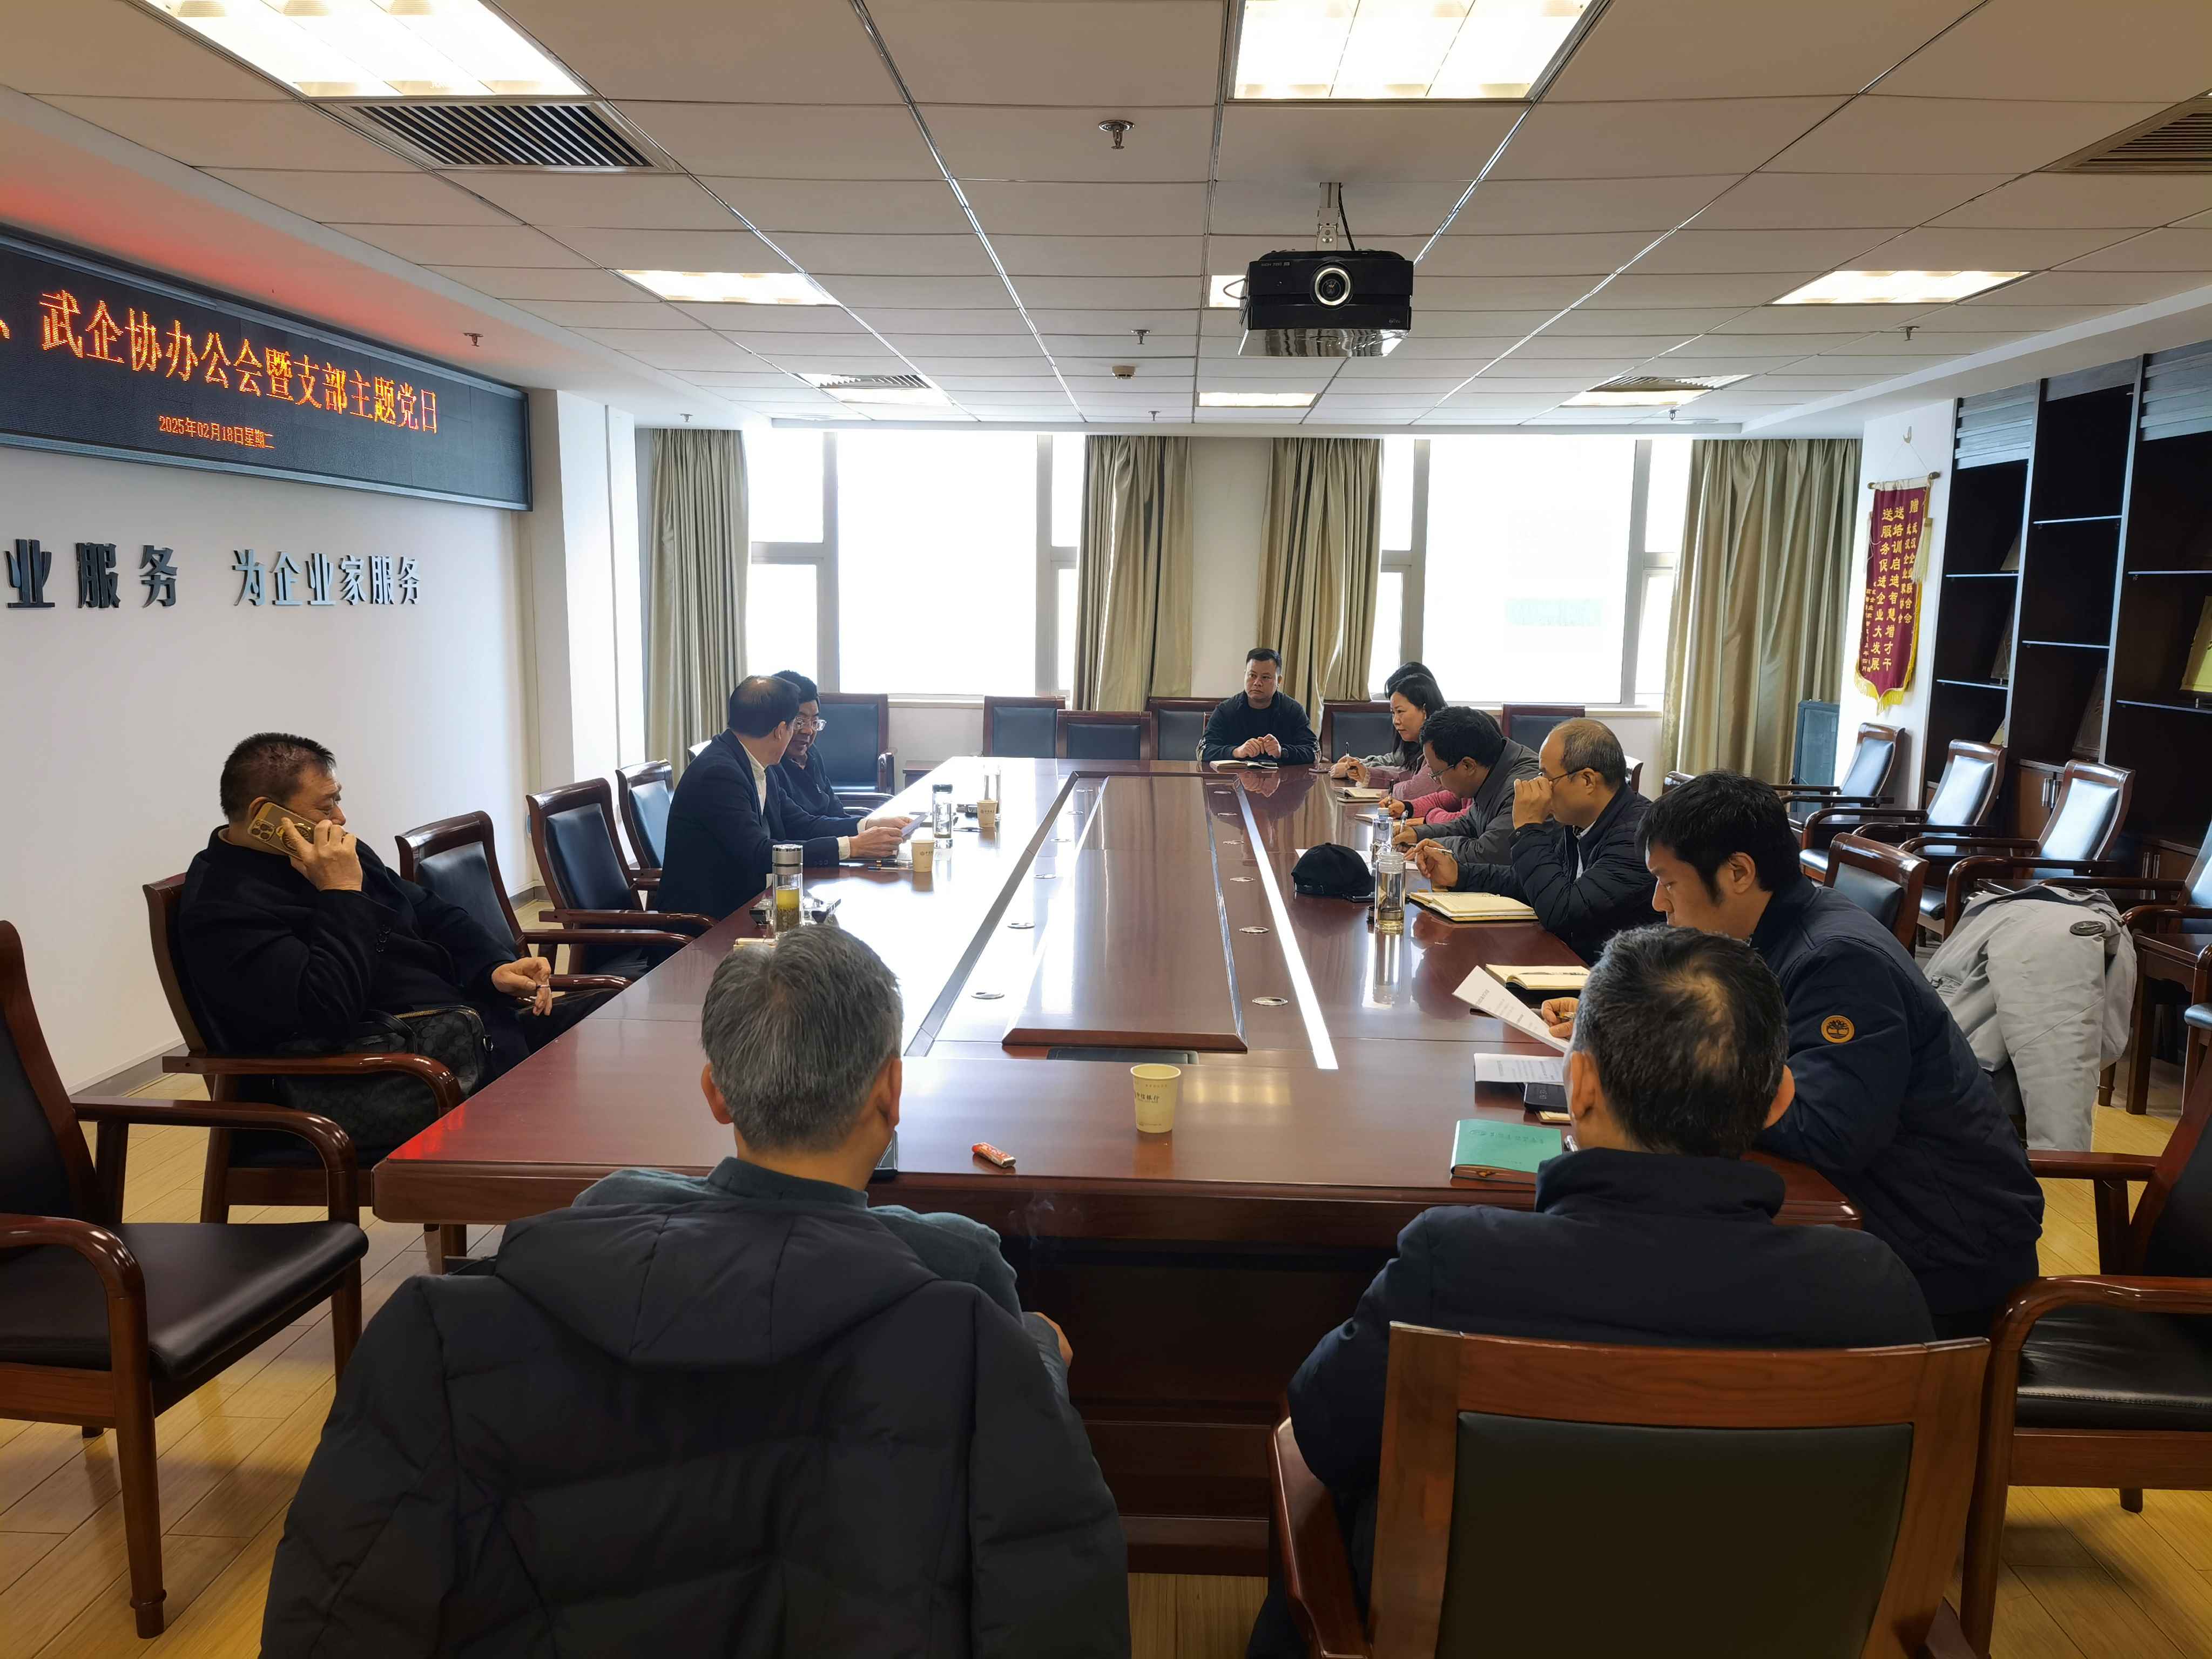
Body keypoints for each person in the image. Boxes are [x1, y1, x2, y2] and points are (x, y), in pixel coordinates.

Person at [262, 926, 1130, 1659]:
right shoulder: (959, 1279)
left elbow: (339, 1607)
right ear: (891, 1092)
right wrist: (1037, 1359)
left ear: (716, 1095)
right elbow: (1039, 1554)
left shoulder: (483, 1306)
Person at [1247, 926, 1932, 1657]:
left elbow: (1323, 1435)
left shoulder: (1458, 1264)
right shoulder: (1874, 1293)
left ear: (1579, 1086)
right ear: (1777, 1101)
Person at [1542, 771, 2040, 1336]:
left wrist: (1657, 1075)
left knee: (1645, 1285)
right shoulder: (1768, 933)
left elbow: (1828, 1130)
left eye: (1668, 882)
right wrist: (1619, 1022)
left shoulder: (1839, 961)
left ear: (1738, 873)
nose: (1658, 903)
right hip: (1874, 1223)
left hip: (1937, 1255)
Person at [178, 733, 579, 1149]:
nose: (340, 817)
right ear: (265, 814)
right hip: (385, 1079)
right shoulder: (224, 906)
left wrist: (492, 967)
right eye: (326, 806)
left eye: (337, 800)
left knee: (604, 1029)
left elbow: (431, 911)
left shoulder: (334, 853)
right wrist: (341, 894)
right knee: (583, 1099)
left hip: (463, 1035)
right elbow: (326, 1011)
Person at [657, 676, 906, 920]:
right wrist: (852, 847)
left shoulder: (755, 762)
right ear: (780, 730)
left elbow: (802, 823)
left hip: (752, 901)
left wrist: (866, 826)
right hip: (710, 922)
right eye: (794, 724)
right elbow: (758, 854)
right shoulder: (719, 774)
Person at [1407, 718, 1655, 962]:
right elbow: (1534, 883)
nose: (1538, 786)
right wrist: (1460, 874)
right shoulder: (1580, 820)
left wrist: (1528, 828)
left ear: (1587, 781)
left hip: (1610, 976)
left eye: (1546, 777)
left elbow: (1562, 912)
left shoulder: (1635, 838)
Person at [1387, 705, 1539, 865]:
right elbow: (1470, 823)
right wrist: (1419, 834)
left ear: (1468, 766)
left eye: (1438, 774)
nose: (1437, 781)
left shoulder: (1519, 789)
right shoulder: (1493, 768)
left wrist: (1432, 847)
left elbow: (1487, 853)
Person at [1327, 672, 1451, 805]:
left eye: (1400, 712)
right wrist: (1367, 774)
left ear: (1425, 711)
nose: (1395, 721)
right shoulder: (1423, 744)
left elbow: (1414, 790)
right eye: (1393, 713)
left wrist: (1386, 793)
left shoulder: (1442, 745)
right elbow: (1406, 774)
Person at [1200, 647, 1318, 766]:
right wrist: (1237, 751)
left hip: (1282, 777)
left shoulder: (1293, 710)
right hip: (1237, 777)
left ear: (1279, 681)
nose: (1257, 683)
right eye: (1252, 675)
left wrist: (1282, 751)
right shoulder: (1226, 710)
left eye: (1265, 677)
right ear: (1245, 675)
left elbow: (1314, 751)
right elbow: (1203, 751)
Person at [771, 667, 858, 824]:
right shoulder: (770, 766)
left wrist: (868, 828)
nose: (808, 731)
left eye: (814, 722)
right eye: (799, 721)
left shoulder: (812, 754)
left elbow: (835, 809)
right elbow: (800, 827)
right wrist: (860, 830)